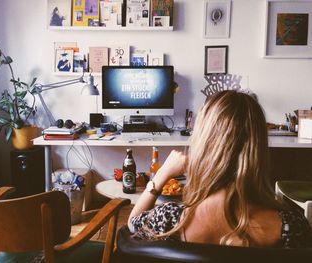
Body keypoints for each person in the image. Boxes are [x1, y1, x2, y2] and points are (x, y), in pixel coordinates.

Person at [128, 90, 312, 248]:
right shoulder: (292, 227)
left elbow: (131, 223)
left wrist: (162, 174)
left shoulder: (169, 219)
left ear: (203, 143)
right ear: (258, 148)